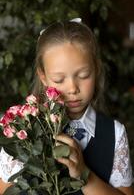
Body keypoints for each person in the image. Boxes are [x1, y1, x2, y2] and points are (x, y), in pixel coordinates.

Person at [0, 19, 134, 195]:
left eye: (84, 75)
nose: (72, 89)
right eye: (59, 80)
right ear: (43, 76)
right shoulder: (23, 129)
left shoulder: (114, 134)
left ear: (96, 69)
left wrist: (84, 176)